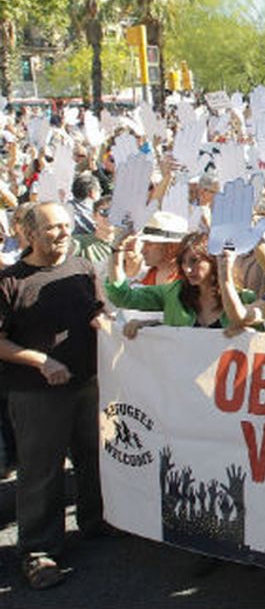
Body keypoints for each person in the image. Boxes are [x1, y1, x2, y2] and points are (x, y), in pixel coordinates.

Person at [0, 203, 108, 590]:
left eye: (66, 226)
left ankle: (97, 522)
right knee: (41, 471)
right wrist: (40, 360)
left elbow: (95, 311)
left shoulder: (80, 268)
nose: (63, 234)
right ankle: (37, 550)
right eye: (52, 229)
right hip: (36, 393)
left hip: (86, 383)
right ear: (28, 234)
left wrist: (106, 322)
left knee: (93, 457)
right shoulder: (10, 281)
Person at [106, 232, 255, 333]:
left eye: (194, 261)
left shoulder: (245, 299)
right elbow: (122, 296)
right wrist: (117, 252)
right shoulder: (173, 293)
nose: (187, 269)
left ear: (214, 260)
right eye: (182, 262)